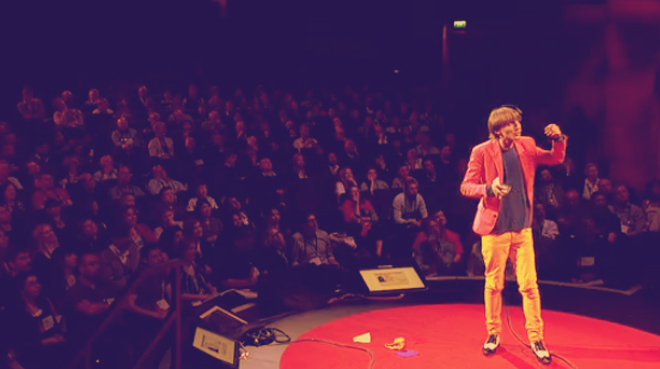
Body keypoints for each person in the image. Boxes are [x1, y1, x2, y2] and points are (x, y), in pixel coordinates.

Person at [460, 105, 566, 364]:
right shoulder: (481, 151)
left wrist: (558, 139)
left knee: (529, 286)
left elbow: (555, 158)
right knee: (494, 285)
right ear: (498, 129)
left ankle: (536, 338)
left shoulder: (526, 144)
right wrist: (489, 188)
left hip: (522, 228)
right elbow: (466, 186)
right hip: (495, 229)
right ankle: (493, 333)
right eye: (511, 123)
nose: (517, 126)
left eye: (518, 121)